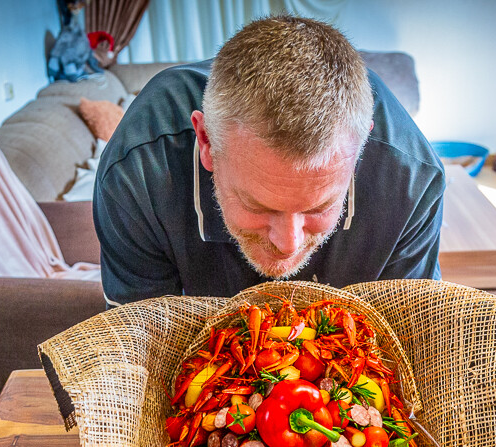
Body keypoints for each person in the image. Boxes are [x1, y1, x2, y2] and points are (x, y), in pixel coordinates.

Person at [95, 15, 444, 308]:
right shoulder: (135, 172)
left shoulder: (413, 180)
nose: (287, 244)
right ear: (206, 141)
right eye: (258, 205)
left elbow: (406, 339)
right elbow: (141, 348)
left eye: (319, 206)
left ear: (361, 147)